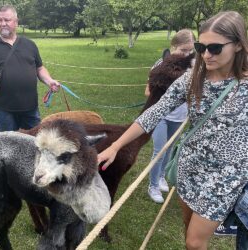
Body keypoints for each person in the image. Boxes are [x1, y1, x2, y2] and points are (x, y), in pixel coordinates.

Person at [98, 11, 248, 249]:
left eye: (215, 48)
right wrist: (116, 146)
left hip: (225, 177)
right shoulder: (193, 79)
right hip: (190, 167)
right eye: (201, 47)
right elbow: (154, 112)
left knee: (195, 242)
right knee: (189, 233)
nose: (206, 55)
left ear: (238, 44)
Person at [0, 5, 60, 132]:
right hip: (3, 110)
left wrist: (49, 81)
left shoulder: (29, 45)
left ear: (16, 22)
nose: (3, 24)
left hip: (30, 108)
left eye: (7, 20)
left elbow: (39, 68)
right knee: (10, 146)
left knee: (35, 143)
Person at [145, 29, 196, 203]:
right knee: (160, 150)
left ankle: (161, 177)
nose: (186, 54)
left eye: (190, 50)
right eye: (182, 50)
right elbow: (148, 91)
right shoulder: (161, 65)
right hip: (161, 115)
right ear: (173, 46)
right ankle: (152, 185)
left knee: (170, 149)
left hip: (180, 116)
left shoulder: (192, 65)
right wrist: (169, 92)